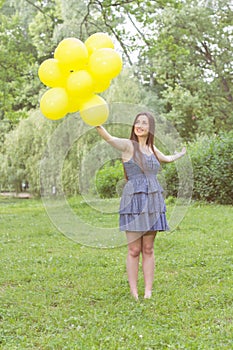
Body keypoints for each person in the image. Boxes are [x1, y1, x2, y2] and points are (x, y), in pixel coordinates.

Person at [96, 112, 186, 300]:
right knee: (134, 249)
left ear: (150, 128)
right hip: (134, 201)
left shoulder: (153, 148)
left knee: (148, 248)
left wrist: (180, 154)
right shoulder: (128, 146)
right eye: (137, 122)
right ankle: (134, 292)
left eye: (144, 123)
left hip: (153, 200)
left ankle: (148, 292)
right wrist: (96, 122)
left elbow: (167, 158)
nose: (139, 125)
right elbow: (109, 138)